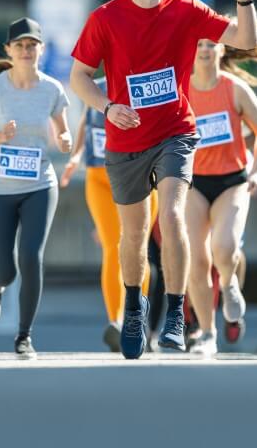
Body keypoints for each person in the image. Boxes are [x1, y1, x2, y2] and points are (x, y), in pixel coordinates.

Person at [69, 0, 257, 359]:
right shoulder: (106, 18)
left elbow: (245, 40)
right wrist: (105, 106)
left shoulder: (185, 10)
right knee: (132, 236)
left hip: (176, 132)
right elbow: (78, 76)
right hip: (125, 136)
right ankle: (134, 307)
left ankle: (175, 313)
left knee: (172, 217)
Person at [0, 18, 72, 358]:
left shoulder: (52, 89)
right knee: (6, 268)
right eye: (20, 46)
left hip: (39, 185)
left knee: (31, 257)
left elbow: (62, 132)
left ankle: (24, 336)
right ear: (9, 50)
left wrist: (65, 138)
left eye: (32, 45)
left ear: (41, 49)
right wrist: (0, 137)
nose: (26, 51)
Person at [185, 36, 257, 355]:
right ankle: (207, 334)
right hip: (193, 183)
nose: (205, 50)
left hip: (233, 180)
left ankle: (229, 283)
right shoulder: (182, 89)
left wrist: (255, 171)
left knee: (224, 247)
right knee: (196, 259)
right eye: (199, 45)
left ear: (221, 50)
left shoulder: (234, 88)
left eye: (211, 44)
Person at [61, 78, 158, 352]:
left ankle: (136, 319)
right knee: (112, 248)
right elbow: (87, 120)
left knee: (137, 248)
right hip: (98, 176)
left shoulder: (143, 84)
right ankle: (117, 322)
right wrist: (75, 156)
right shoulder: (95, 86)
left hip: (137, 175)